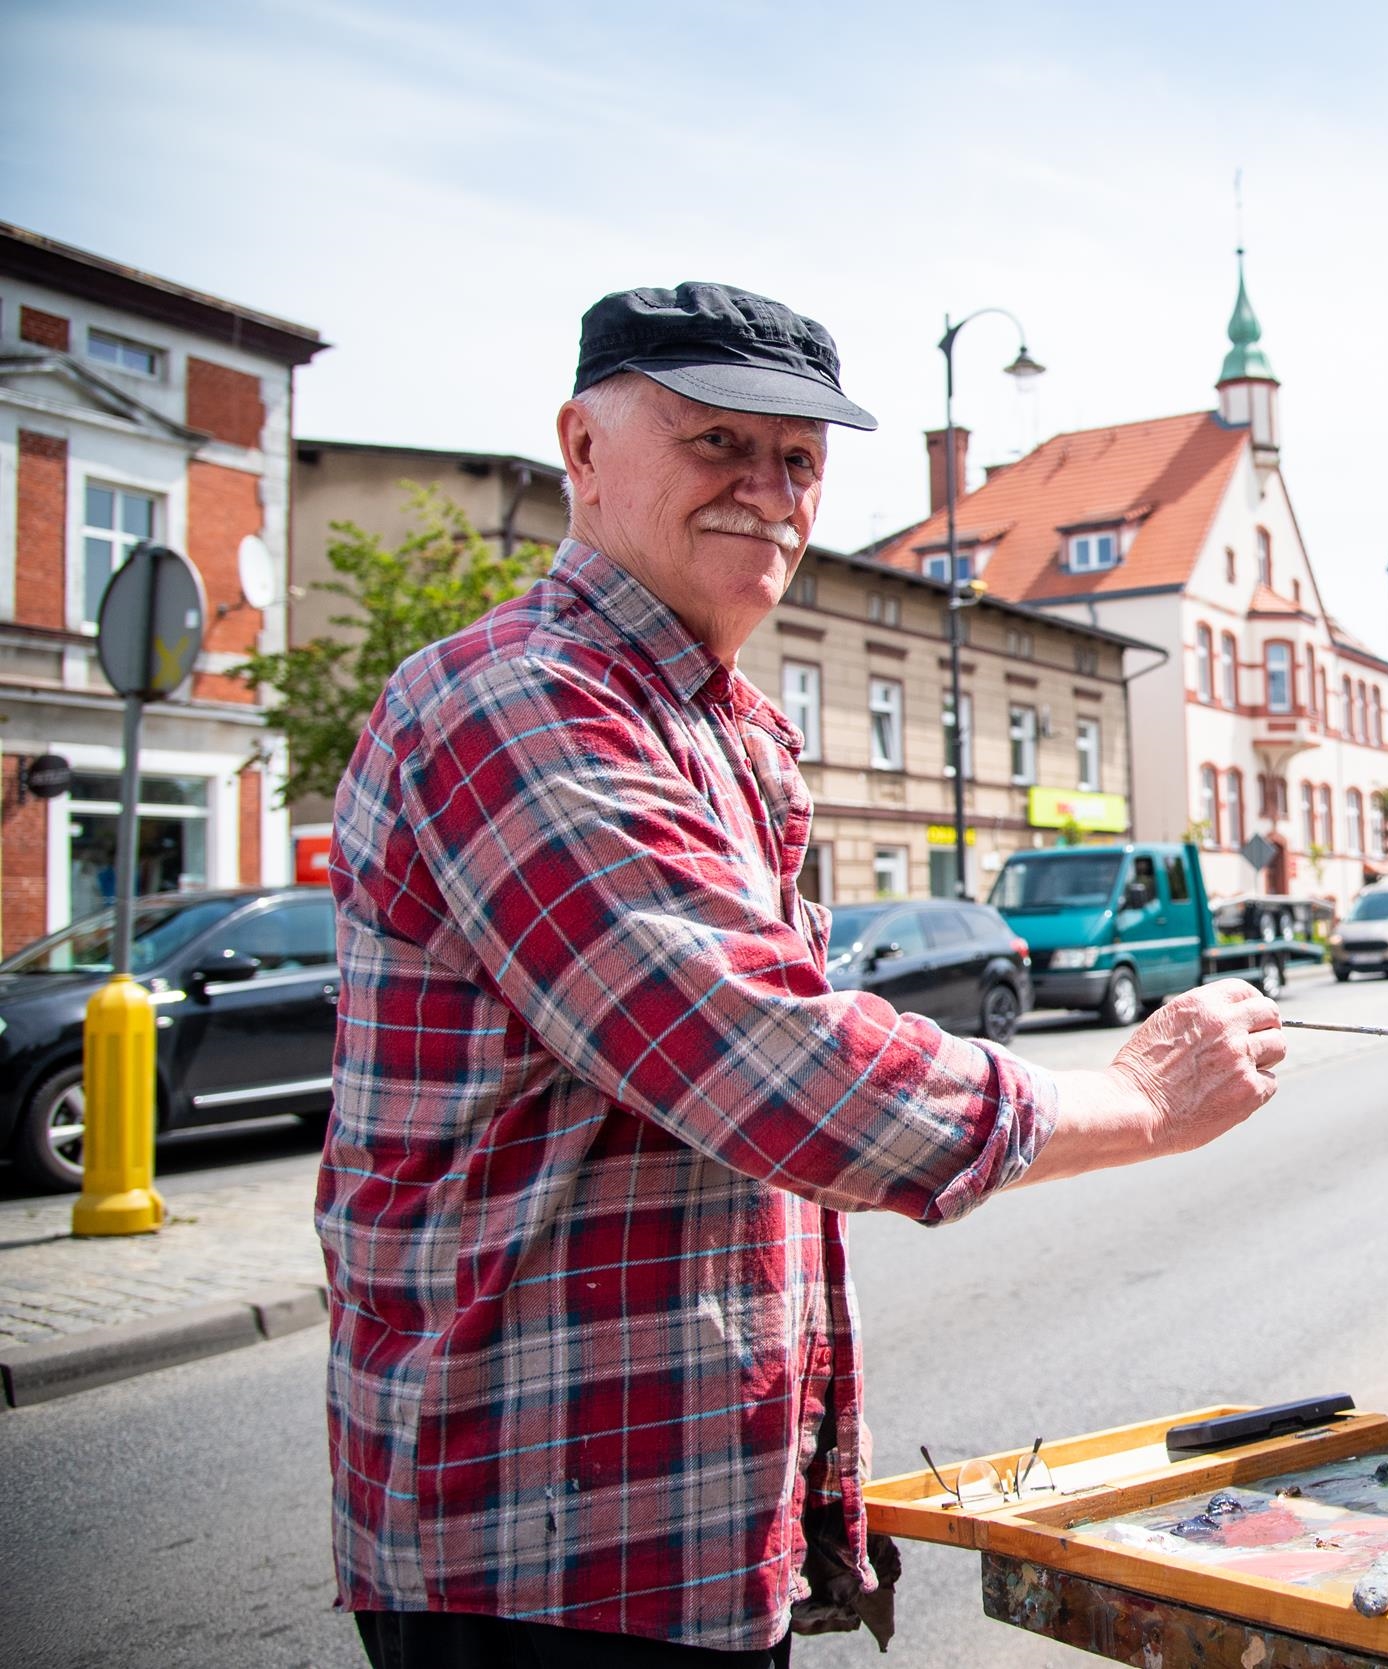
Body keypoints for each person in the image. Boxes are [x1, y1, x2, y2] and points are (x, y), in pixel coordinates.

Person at [317, 282, 1287, 1668]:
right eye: (718, 442)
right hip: (540, 1553)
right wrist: (1139, 1099)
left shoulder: (721, 728)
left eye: (801, 460)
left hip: (679, 1533)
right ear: (582, 453)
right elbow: (779, 1069)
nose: (770, 490)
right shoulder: (517, 703)